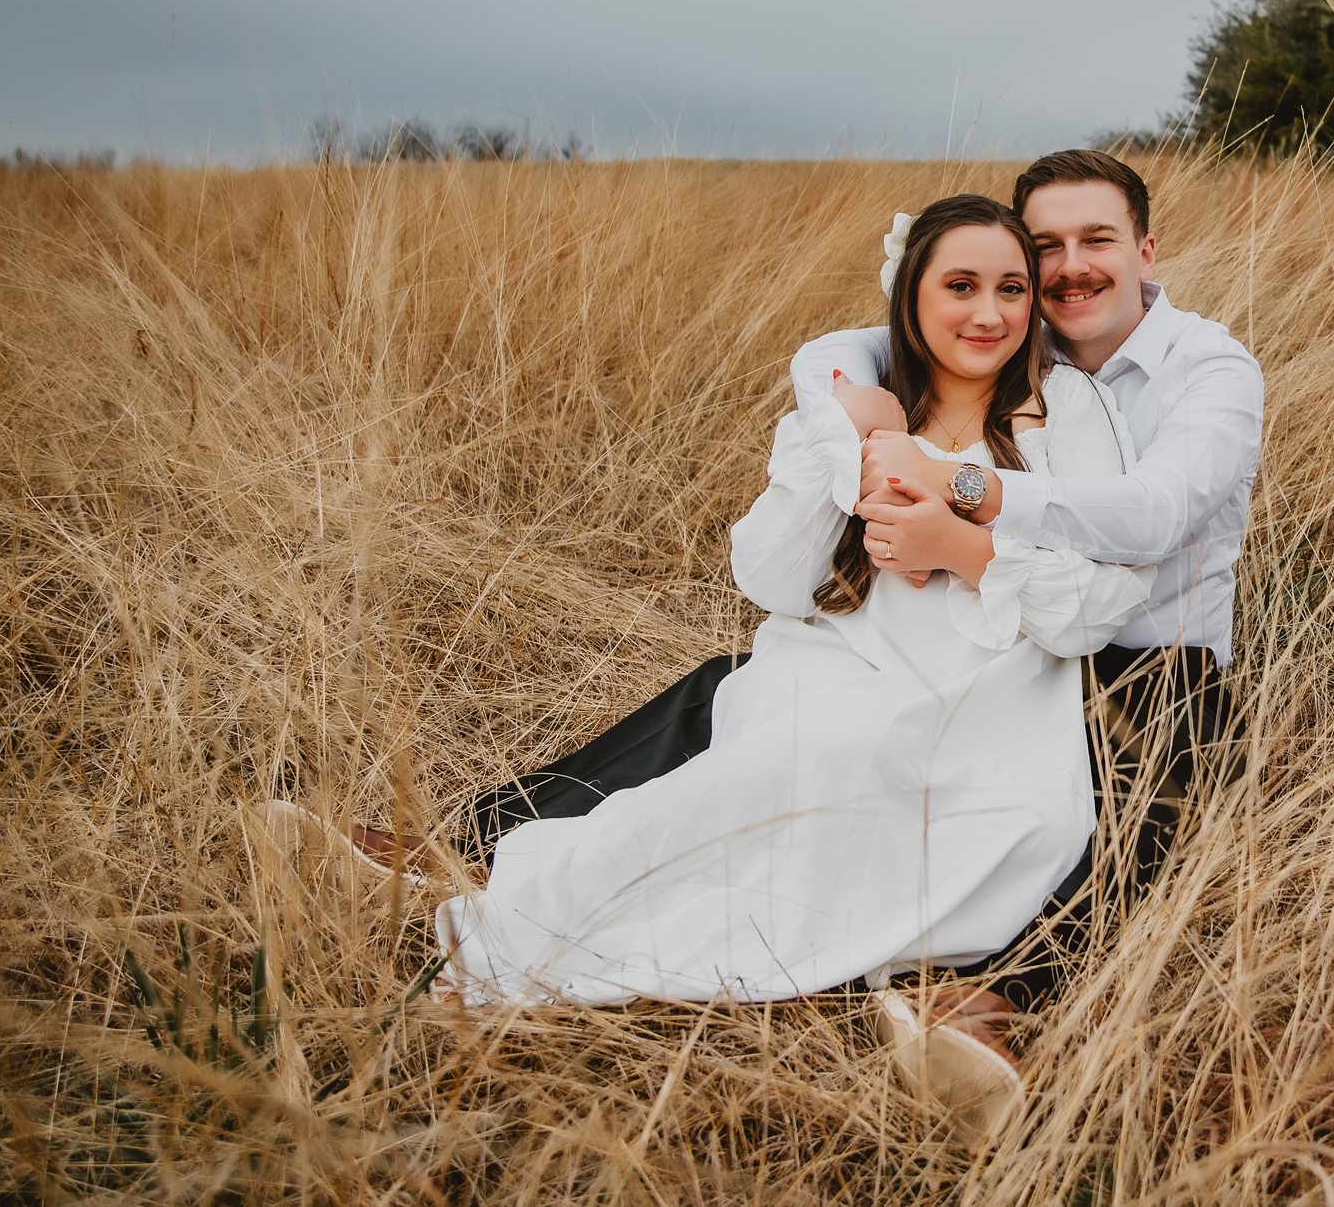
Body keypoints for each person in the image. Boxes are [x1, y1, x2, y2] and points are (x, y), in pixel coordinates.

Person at [356, 150, 1263, 1035]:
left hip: (1143, 650)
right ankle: (469, 848)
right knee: (737, 695)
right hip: (929, 641)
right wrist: (844, 417)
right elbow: (847, 353)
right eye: (1043, 250)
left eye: (1095, 240)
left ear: (1145, 254)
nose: (1067, 269)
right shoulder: (964, 345)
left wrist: (955, 509)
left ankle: (1001, 998)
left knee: (1124, 775)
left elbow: (1150, 517)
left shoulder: (1200, 373)